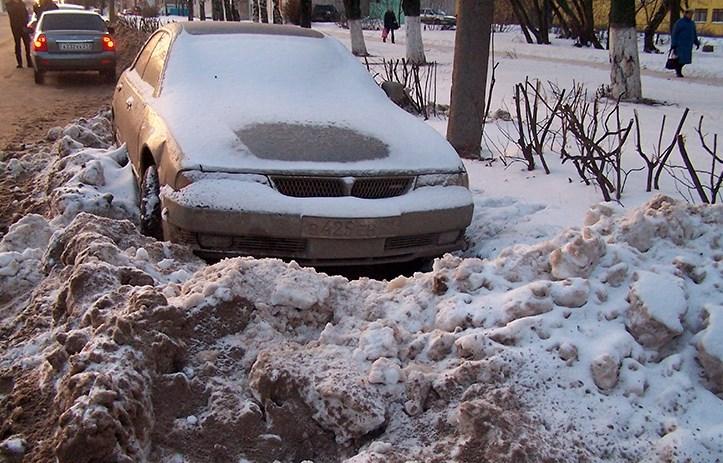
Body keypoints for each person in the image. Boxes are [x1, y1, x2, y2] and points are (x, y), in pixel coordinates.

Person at [670, 7, 701, 78]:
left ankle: (678, 69)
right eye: (689, 14)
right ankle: (678, 71)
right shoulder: (679, 22)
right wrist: (674, 44)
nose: (691, 15)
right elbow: (674, 33)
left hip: (688, 45)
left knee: (685, 59)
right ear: (685, 14)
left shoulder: (692, 23)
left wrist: (696, 42)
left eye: (692, 14)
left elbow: (694, 33)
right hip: (680, 44)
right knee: (680, 59)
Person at [6, 0, 31, 68]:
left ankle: (29, 62)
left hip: (23, 26)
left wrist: (26, 22)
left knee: (27, 44)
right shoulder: (9, 4)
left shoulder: (22, 3)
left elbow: (26, 14)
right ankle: (19, 63)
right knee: (17, 45)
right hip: (15, 27)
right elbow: (11, 12)